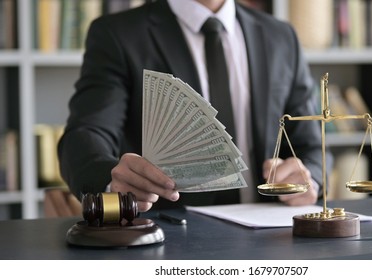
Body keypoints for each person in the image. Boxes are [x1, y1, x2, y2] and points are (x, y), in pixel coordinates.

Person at [58, 0, 333, 212]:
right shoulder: (118, 34)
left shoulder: (281, 36)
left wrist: (310, 177)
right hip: (168, 237)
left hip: (271, 238)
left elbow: (311, 144)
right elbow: (85, 135)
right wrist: (110, 180)